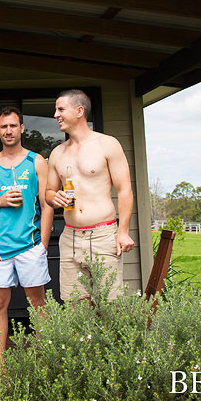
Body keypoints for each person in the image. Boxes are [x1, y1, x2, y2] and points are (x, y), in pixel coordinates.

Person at [0, 106, 52, 373]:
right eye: (4, 127)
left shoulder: (36, 161)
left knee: (38, 304)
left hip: (30, 244)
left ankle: (43, 361)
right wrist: (0, 201)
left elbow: (48, 205)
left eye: (13, 126)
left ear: (22, 128)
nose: (8, 131)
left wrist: (44, 244)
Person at [45, 89, 134, 302]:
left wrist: (123, 232)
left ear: (79, 111)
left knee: (111, 306)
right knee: (75, 305)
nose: (55, 114)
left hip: (103, 236)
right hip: (70, 237)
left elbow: (125, 191)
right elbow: (48, 192)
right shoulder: (57, 153)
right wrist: (53, 197)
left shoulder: (107, 144)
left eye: (60, 109)